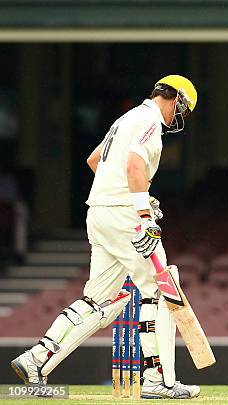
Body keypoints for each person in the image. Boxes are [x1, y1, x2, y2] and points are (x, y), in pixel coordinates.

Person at [11, 75, 201, 399]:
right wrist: (143, 215)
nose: (176, 120)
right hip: (124, 215)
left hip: (98, 212)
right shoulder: (150, 121)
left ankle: (37, 359)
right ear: (178, 100)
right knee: (158, 287)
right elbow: (134, 165)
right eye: (180, 112)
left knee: (99, 301)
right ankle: (157, 380)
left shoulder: (125, 119)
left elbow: (94, 160)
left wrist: (124, 195)